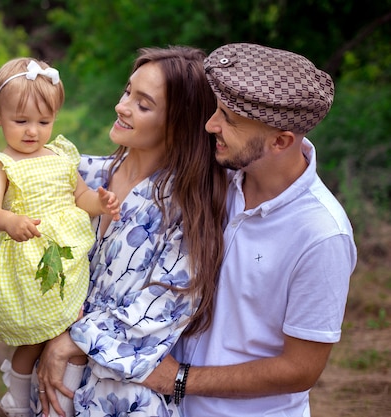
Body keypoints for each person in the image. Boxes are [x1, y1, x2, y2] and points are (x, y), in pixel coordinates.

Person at [141, 43, 358, 416]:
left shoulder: (321, 234)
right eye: (216, 111)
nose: (211, 126)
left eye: (229, 118)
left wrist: (179, 379)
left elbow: (300, 369)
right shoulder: (216, 179)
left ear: (281, 141)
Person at [33, 46, 228, 417]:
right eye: (127, 93)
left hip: (121, 401)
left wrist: (69, 340)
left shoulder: (185, 209)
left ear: (178, 123)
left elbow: (164, 309)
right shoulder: (80, 177)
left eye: (143, 104)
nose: (122, 107)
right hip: (50, 386)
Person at [0, 57, 121, 417]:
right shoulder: (1, 162)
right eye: (20, 121)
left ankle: (65, 396)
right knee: (35, 334)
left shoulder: (61, 155)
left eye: (44, 121)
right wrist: (8, 220)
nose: (32, 131)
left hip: (66, 258)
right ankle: (18, 396)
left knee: (70, 326)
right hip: (29, 261)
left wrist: (99, 202)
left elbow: (80, 198)